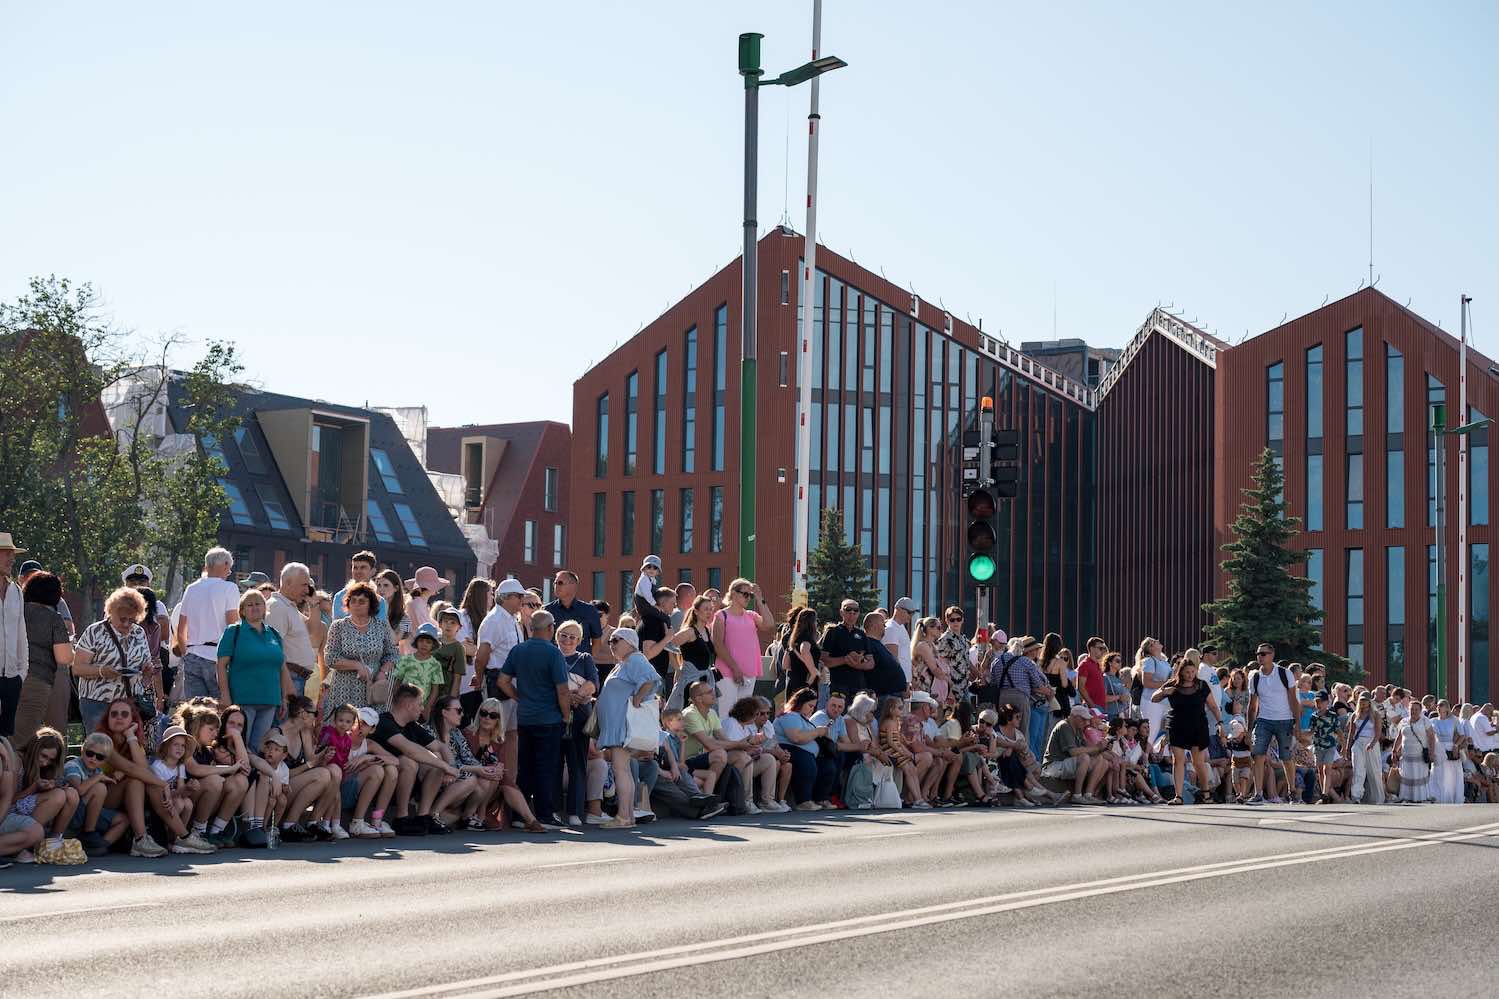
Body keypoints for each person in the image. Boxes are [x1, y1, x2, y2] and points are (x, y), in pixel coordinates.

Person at [492, 609, 571, 826]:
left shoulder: (518, 650)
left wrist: (519, 697)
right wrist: (566, 716)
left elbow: (502, 681)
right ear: (550, 628)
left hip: (525, 717)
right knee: (546, 767)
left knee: (525, 766)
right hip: (549, 718)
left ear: (531, 628)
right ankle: (545, 814)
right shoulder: (554, 653)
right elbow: (563, 690)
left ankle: (519, 815)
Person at [215, 588, 292, 755]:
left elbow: (282, 667)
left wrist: (284, 698)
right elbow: (221, 665)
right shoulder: (233, 632)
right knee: (238, 746)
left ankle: (253, 772)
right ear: (242, 610)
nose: (254, 607)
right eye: (249, 605)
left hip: (270, 701)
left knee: (256, 749)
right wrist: (225, 695)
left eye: (258, 604)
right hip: (243, 701)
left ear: (265, 608)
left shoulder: (274, 634)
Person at [72, 588, 154, 734]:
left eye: (132, 620)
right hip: (98, 702)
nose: (127, 624)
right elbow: (77, 668)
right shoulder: (95, 632)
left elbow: (144, 671)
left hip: (130, 703)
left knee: (128, 745)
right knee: (100, 744)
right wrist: (102, 671)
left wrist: (147, 672)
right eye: (122, 619)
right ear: (111, 612)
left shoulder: (139, 632)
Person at [1150, 656, 1221, 804]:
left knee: (1198, 762)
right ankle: (1178, 796)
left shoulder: (1201, 685)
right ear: (1181, 672)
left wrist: (1220, 723)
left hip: (1198, 725)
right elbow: (1154, 698)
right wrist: (1164, 692)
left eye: (1193, 671)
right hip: (1177, 725)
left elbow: (1213, 706)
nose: (1190, 675)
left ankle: (1206, 793)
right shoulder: (1172, 684)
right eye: (1187, 672)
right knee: (1178, 760)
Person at [173, 547, 241, 699]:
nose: (229, 572)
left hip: (192, 655)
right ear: (224, 565)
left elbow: (181, 628)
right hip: (218, 658)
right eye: (229, 568)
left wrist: (185, 654)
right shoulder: (230, 588)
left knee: (195, 708)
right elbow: (233, 626)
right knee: (221, 707)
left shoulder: (191, 588)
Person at [323, 581, 399, 718]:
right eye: (353, 601)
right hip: (344, 688)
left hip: (373, 687)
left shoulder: (381, 626)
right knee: (344, 726)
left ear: (371, 604)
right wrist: (357, 665)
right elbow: (330, 658)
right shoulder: (338, 626)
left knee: (371, 726)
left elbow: (392, 654)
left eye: (362, 601)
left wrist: (383, 672)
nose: (356, 604)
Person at [14, 571, 72, 747]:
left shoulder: (13, 612)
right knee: (22, 740)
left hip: (9, 676)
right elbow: (64, 657)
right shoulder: (53, 618)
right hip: (36, 680)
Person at [555, 620, 599, 826]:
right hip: (555, 716)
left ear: (580, 640)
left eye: (573, 637)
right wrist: (566, 698)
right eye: (564, 635)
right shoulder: (551, 655)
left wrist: (576, 696)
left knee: (577, 765)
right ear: (556, 635)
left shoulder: (585, 658)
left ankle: (574, 812)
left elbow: (593, 683)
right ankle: (553, 810)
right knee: (554, 764)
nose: (567, 640)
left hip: (580, 716)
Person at [1244, 642, 1300, 805]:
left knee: (1286, 758)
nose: (1260, 657)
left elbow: (1293, 700)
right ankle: (1258, 794)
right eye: (1258, 654)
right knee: (1258, 755)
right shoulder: (1254, 677)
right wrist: (1249, 729)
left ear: (1272, 655)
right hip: (1263, 720)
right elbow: (1252, 706)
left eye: (1263, 654)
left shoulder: (1284, 673)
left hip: (1284, 720)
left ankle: (1292, 791)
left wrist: (1298, 725)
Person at [775, 687, 836, 810]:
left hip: (803, 751)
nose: (812, 709)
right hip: (788, 749)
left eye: (813, 707)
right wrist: (817, 732)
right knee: (806, 763)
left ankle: (821, 798)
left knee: (827, 765)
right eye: (810, 706)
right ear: (800, 703)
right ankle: (803, 801)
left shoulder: (803, 718)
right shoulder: (791, 716)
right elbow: (796, 738)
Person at [712, 578, 770, 709]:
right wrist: (735, 668)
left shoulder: (751, 615)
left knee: (744, 714)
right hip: (727, 673)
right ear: (733, 593)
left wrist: (760, 599)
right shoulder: (721, 615)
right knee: (726, 713)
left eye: (750, 595)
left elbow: (769, 625)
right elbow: (718, 645)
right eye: (745, 594)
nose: (748, 598)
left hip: (749, 672)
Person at [267, 562, 318, 697]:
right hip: (289, 678)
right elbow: (274, 650)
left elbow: (313, 630)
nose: (308, 590)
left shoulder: (288, 606)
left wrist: (314, 604)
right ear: (288, 583)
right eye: (304, 585)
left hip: (295, 678)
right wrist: (288, 683)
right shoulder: (277, 607)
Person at [1041, 705, 1110, 804]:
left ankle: (1088, 795)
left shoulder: (1078, 729)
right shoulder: (1064, 726)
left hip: (1066, 764)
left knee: (1101, 760)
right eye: (1084, 719)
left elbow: (1087, 748)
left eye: (1087, 720)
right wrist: (1096, 748)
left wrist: (1101, 748)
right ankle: (1077, 795)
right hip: (1053, 766)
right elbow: (1073, 752)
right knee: (1084, 758)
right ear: (1075, 717)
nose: (1087, 723)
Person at [0, 534, 28, 740]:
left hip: (11, 679)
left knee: (6, 737)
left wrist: (21, 674)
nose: (12, 559)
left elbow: (21, 635)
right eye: (6, 553)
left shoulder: (16, 591)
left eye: (13, 554)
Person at [667, 595, 717, 712]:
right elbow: (669, 645)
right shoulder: (689, 631)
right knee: (687, 713)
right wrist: (677, 668)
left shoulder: (706, 630)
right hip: (690, 681)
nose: (709, 612)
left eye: (711, 609)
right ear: (696, 612)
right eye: (706, 609)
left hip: (705, 680)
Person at [393, 623, 447, 719]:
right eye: (421, 640)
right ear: (416, 642)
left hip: (421, 708)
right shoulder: (406, 660)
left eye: (428, 642)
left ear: (433, 645)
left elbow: (435, 690)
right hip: (404, 705)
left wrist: (427, 707)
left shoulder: (435, 665)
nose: (424, 644)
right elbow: (397, 682)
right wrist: (397, 701)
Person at [1392, 699, 1438, 804]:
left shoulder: (1425, 721)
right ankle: (1406, 796)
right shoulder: (1404, 721)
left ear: (1420, 710)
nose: (1413, 711)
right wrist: (1394, 750)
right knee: (1406, 775)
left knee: (1419, 775)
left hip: (1420, 754)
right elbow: (1399, 737)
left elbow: (1431, 737)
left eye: (1416, 709)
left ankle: (1420, 797)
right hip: (1406, 754)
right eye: (1412, 709)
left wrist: (1431, 752)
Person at [822, 600, 868, 700]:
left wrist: (858, 662)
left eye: (855, 611)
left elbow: (871, 663)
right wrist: (845, 659)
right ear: (841, 612)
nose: (852, 613)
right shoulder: (832, 632)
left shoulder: (861, 634)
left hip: (859, 686)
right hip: (839, 685)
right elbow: (824, 660)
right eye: (848, 610)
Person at [545, 570, 603, 649]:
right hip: (554, 656)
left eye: (560, 583)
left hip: (581, 656)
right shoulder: (547, 610)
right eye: (555, 583)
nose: (556, 586)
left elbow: (597, 641)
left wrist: (588, 657)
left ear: (573, 586)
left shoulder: (589, 610)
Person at [1346, 693, 1385, 804]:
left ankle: (1378, 797)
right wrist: (1347, 748)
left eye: (1365, 700)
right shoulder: (1355, 715)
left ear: (1369, 701)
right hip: (1358, 743)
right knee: (1358, 770)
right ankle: (1356, 796)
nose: (1363, 702)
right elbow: (1351, 733)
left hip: (1371, 742)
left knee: (1374, 771)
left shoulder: (1375, 715)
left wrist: (1372, 743)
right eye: (1361, 700)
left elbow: (1378, 732)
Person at [1134, 637, 1172, 751]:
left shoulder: (1164, 662)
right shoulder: (1149, 661)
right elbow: (1147, 682)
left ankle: (1157, 755)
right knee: (1151, 732)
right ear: (1151, 648)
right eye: (1154, 642)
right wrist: (1167, 684)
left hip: (1165, 702)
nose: (1158, 641)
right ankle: (1142, 756)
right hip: (1152, 701)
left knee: (1165, 732)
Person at [1429, 700, 1466, 805]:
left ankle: (1450, 797)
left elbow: (1462, 735)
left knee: (1450, 775)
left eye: (1441, 705)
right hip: (1438, 748)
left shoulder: (1454, 720)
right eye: (1438, 705)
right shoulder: (1432, 721)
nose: (1439, 707)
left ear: (1447, 707)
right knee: (1438, 773)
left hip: (1450, 748)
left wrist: (1456, 745)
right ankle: (1437, 797)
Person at [332, 551, 386, 621]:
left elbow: (380, 625)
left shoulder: (380, 601)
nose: (358, 571)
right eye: (355, 568)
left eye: (363, 567)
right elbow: (336, 625)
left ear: (373, 571)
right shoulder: (340, 596)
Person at [933, 607, 971, 705]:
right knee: (950, 715)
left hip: (964, 686)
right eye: (952, 620)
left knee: (967, 714)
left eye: (958, 619)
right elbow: (938, 663)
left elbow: (966, 660)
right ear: (947, 621)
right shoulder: (944, 640)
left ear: (962, 620)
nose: (956, 622)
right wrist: (948, 685)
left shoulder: (964, 639)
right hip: (951, 688)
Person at [883, 597, 918, 688]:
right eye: (909, 612)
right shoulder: (891, 628)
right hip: (896, 681)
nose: (911, 616)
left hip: (903, 681)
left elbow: (905, 656)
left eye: (913, 613)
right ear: (898, 609)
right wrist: (902, 682)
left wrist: (910, 678)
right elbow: (893, 659)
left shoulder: (900, 627)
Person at [1077, 638, 1109, 715]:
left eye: (1103, 648)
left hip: (1101, 707)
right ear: (1091, 648)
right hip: (1093, 707)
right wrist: (1093, 706)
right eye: (1100, 648)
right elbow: (1081, 687)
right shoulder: (1085, 664)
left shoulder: (1097, 665)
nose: (1102, 651)